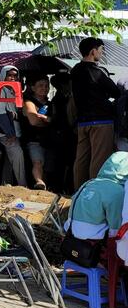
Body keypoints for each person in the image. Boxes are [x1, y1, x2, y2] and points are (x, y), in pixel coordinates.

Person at [72, 37, 121, 189]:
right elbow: (116, 91)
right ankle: (93, 194)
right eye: (100, 50)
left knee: (81, 160)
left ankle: (78, 192)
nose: (101, 53)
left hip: (82, 122)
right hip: (101, 121)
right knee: (99, 160)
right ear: (93, 51)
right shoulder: (96, 72)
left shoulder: (75, 71)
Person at [65, 151, 128, 240]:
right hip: (93, 238)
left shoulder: (89, 182)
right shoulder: (117, 191)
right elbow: (115, 226)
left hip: (71, 230)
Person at [0, 65, 27, 186]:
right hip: (6, 133)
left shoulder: (13, 91)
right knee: (18, 155)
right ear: (3, 76)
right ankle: (23, 186)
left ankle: (6, 185)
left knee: (9, 160)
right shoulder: (0, 90)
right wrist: (10, 133)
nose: (12, 78)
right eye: (9, 75)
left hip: (15, 131)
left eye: (14, 76)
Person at [21, 74, 52, 190]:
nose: (44, 88)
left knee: (47, 165)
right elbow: (33, 121)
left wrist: (48, 120)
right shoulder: (28, 102)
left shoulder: (51, 103)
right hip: (33, 139)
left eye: (46, 86)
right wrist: (48, 122)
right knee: (37, 162)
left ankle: (45, 186)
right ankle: (39, 182)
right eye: (40, 85)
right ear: (32, 87)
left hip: (48, 140)